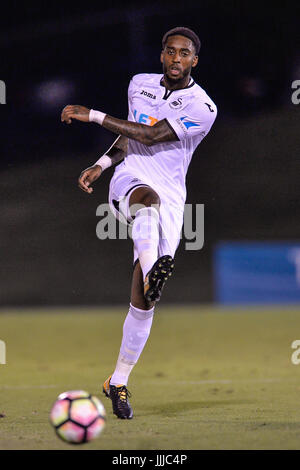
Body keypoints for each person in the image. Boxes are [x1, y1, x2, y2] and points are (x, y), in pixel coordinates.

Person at [61, 26, 217, 420]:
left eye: (185, 54)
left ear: (194, 61)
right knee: (146, 200)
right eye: (170, 51)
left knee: (145, 303)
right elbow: (131, 142)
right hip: (131, 182)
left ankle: (117, 381)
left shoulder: (203, 106)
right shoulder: (140, 84)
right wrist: (101, 164)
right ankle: (153, 271)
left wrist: (92, 115)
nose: (177, 59)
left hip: (172, 200)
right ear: (161, 55)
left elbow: (148, 134)